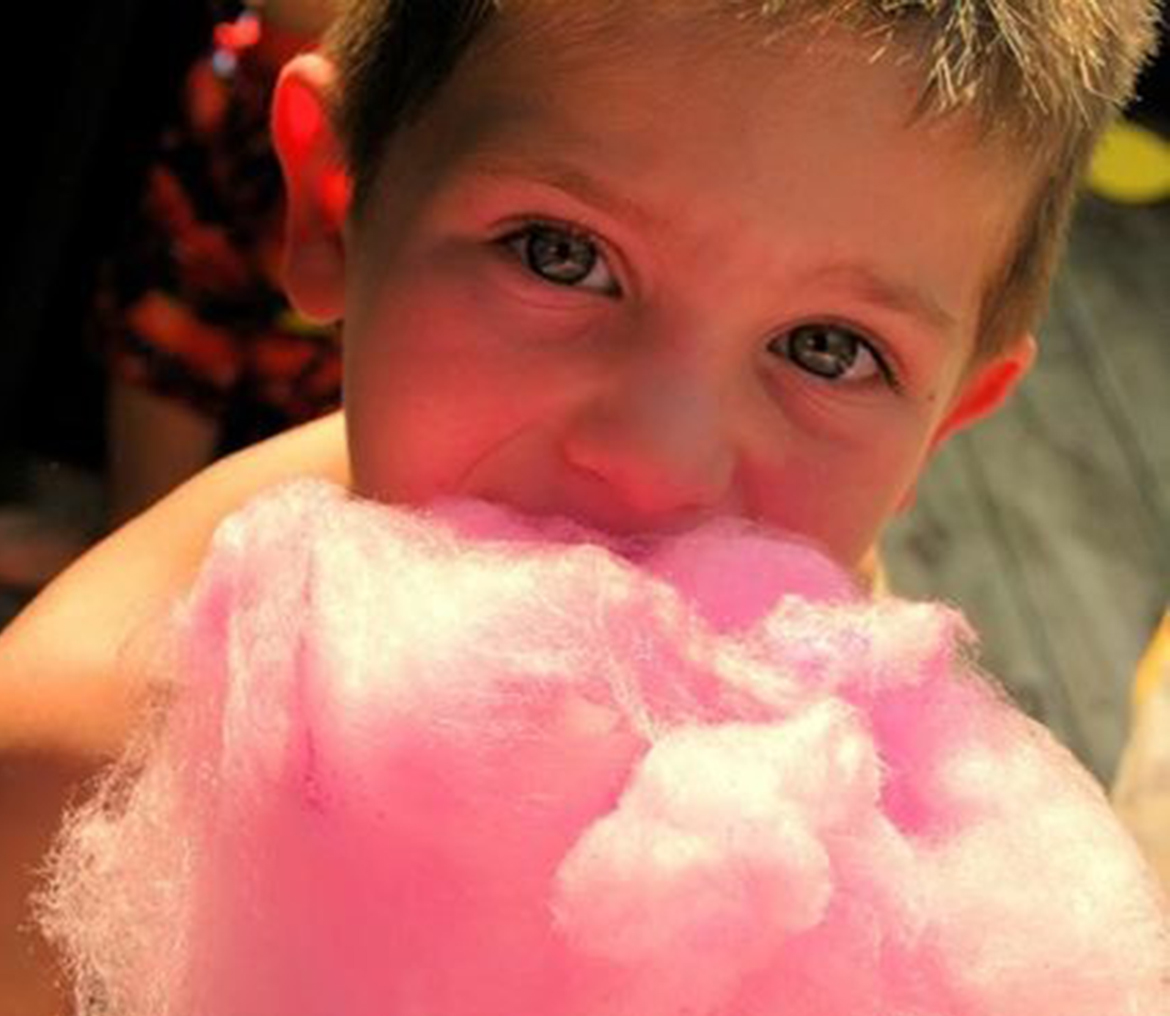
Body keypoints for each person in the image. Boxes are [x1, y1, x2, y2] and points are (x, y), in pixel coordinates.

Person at [0, 0, 1160, 1011]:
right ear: (336, 204)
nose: (657, 466)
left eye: (827, 348)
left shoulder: (828, 685)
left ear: (942, 428)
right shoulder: (67, 772)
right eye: (558, 253)